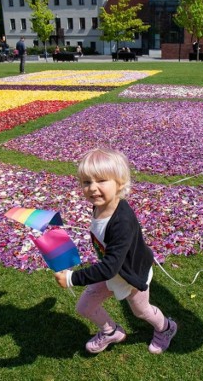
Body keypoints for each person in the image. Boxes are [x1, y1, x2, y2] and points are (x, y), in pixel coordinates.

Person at [54, 148, 177, 355]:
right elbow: (108, 257)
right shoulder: (100, 205)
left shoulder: (122, 222)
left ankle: (166, 327)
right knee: (84, 307)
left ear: (120, 183)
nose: (93, 188)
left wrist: (72, 278)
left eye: (101, 181)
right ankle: (110, 331)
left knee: (141, 311)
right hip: (112, 269)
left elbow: (110, 267)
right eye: (86, 182)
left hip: (131, 274)